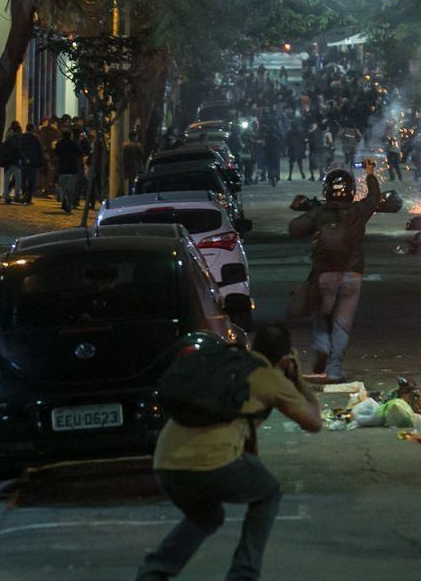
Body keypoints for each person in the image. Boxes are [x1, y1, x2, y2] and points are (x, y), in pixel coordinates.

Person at [136, 325, 322, 581]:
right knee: (268, 493)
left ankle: (153, 574)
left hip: (165, 463)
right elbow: (314, 422)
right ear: (284, 359)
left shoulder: (222, 362)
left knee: (206, 517)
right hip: (213, 464)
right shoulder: (271, 378)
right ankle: (243, 574)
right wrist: (298, 379)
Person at [289, 160, 381, 383]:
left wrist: (312, 214)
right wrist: (370, 173)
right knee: (342, 324)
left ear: (327, 190)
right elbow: (374, 198)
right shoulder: (358, 211)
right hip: (352, 275)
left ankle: (322, 347)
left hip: (325, 274)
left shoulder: (319, 213)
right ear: (351, 190)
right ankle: (334, 369)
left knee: (321, 315)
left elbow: (294, 228)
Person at [54, 131, 82, 214]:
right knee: (71, 188)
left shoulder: (59, 144)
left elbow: (56, 154)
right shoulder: (74, 143)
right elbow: (79, 153)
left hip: (62, 168)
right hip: (72, 168)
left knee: (63, 187)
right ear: (70, 135)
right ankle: (69, 204)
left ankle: (64, 200)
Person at [19, 124, 45, 205]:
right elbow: (40, 150)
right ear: (32, 129)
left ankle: (24, 194)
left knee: (23, 180)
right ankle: (28, 198)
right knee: (31, 181)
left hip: (24, 162)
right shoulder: (36, 138)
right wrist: (41, 161)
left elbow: (19, 148)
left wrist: (23, 158)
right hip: (34, 163)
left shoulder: (22, 137)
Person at [1, 121, 24, 204]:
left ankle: (6, 195)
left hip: (7, 162)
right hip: (15, 161)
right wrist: (23, 158)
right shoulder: (17, 139)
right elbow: (18, 150)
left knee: (7, 179)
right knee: (18, 178)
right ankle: (17, 195)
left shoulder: (7, 139)